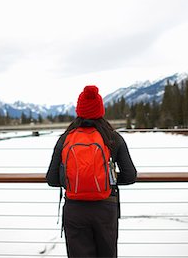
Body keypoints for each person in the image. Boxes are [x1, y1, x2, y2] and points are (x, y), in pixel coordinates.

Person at [46, 85, 137, 258]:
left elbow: (51, 179)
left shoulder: (66, 138)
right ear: (100, 110)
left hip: (74, 209)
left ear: (79, 111)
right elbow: (130, 175)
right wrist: (107, 179)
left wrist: (76, 179)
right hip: (105, 208)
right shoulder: (113, 138)